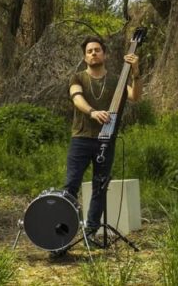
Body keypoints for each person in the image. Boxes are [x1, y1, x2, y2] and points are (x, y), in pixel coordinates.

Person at [64, 36, 141, 240]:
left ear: (104, 54)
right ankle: (64, 231)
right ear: (84, 57)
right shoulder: (78, 77)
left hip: (106, 140)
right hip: (81, 138)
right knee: (71, 184)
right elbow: (76, 98)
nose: (93, 53)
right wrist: (92, 112)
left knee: (100, 186)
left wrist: (136, 74)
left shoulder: (117, 80)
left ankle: (90, 231)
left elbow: (135, 97)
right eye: (89, 51)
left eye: (97, 50)